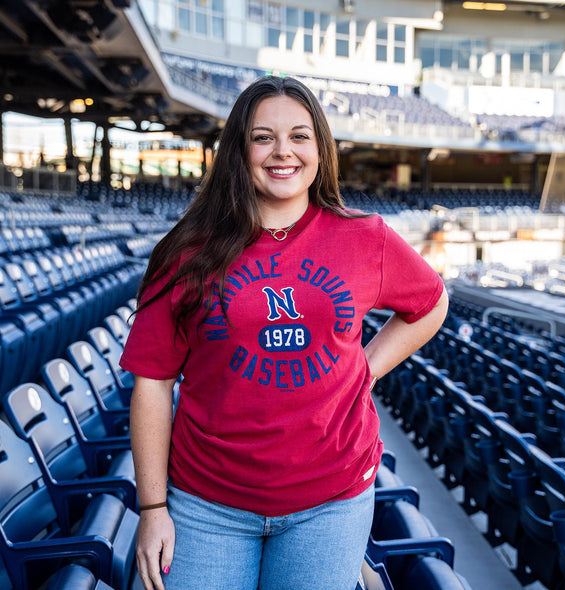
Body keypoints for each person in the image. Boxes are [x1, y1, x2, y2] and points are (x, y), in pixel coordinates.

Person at [120, 75, 449, 590]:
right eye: (262, 137)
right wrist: (153, 506)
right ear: (238, 150)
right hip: (208, 503)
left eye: (299, 136)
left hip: (331, 500)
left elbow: (430, 304)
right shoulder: (187, 250)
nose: (282, 152)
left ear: (319, 148)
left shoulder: (365, 238)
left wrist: (365, 367)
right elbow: (153, 382)